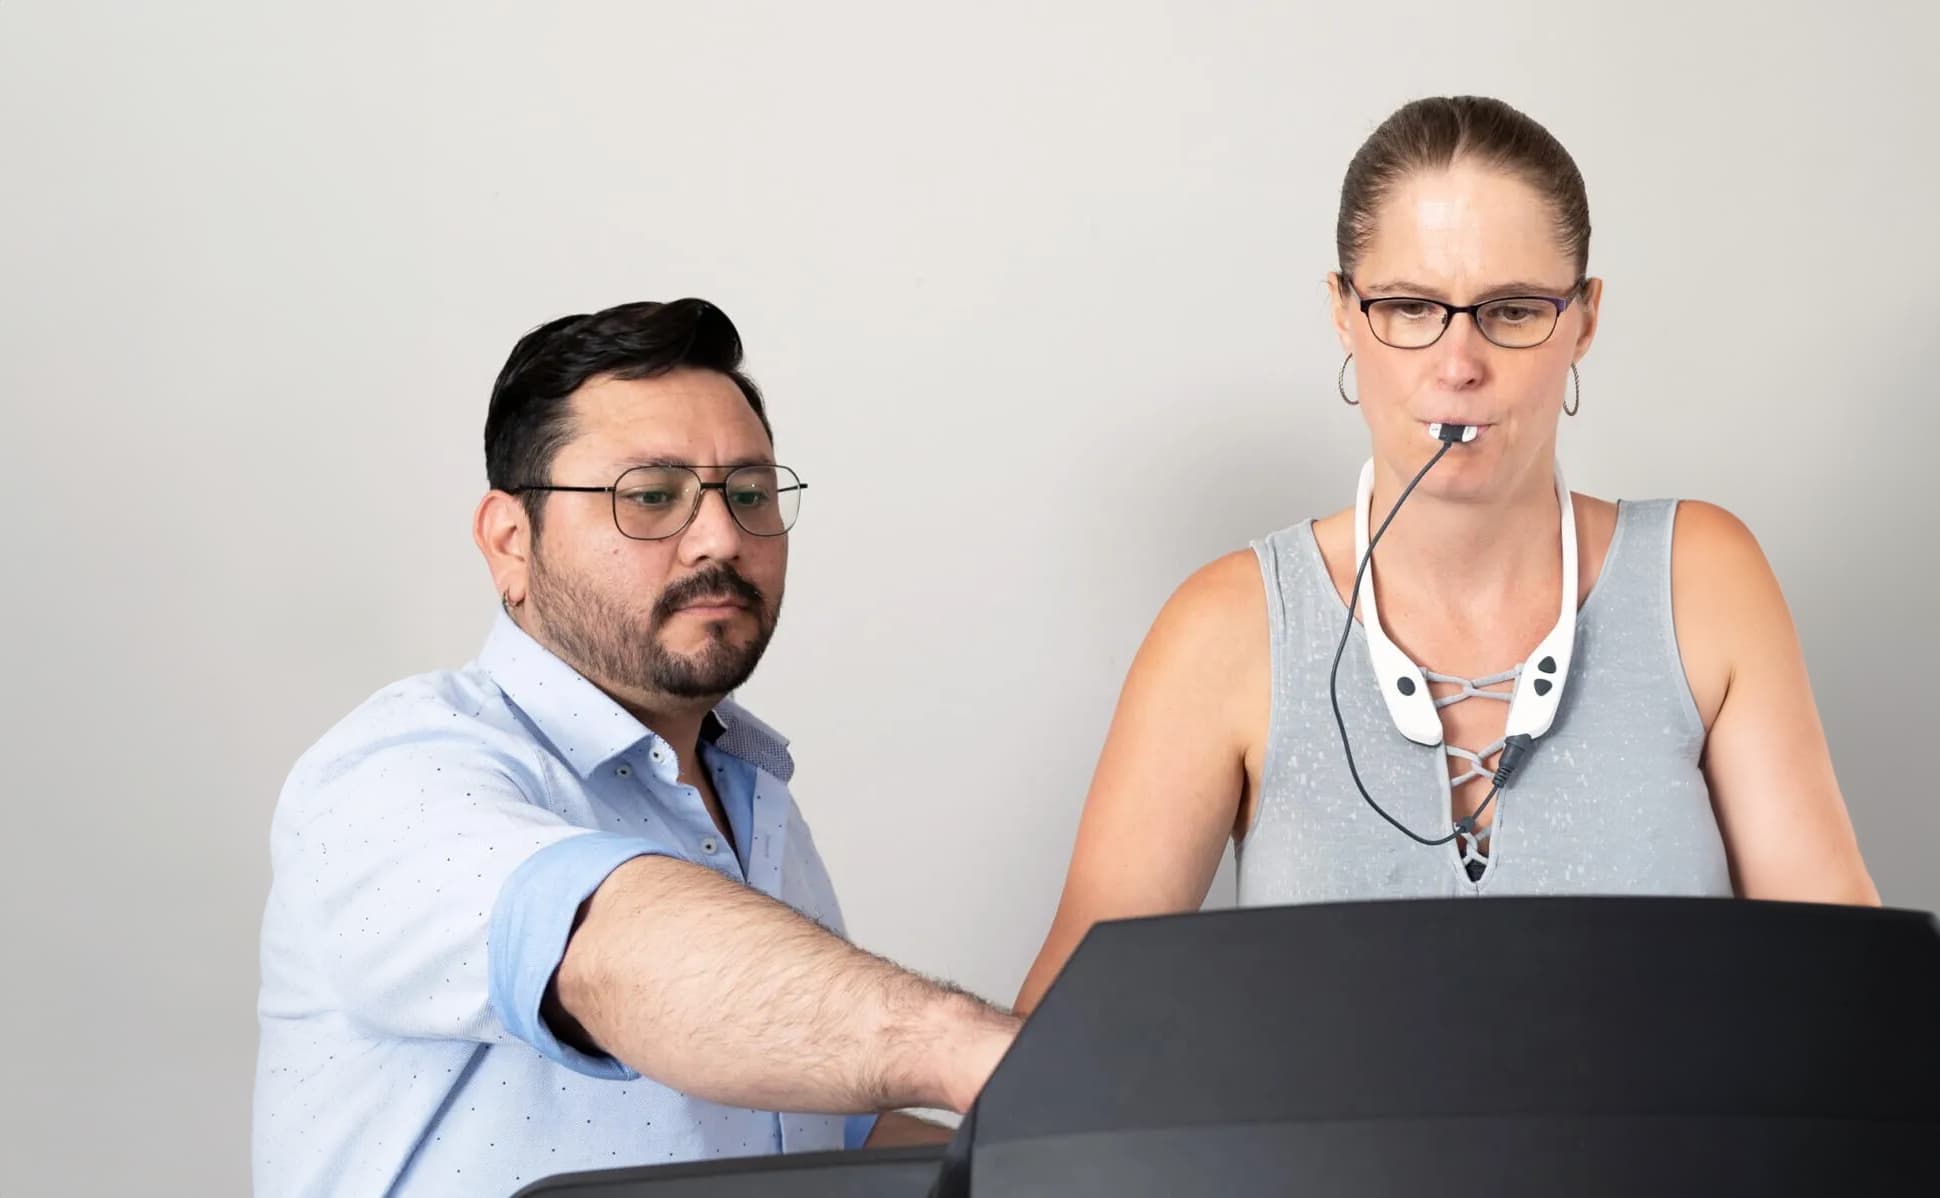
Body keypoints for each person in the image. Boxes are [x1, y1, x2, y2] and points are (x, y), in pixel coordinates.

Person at [1016, 95, 1879, 1014]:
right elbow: (1062, 1043)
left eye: (1513, 310)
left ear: (1584, 321)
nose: (1459, 362)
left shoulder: (1702, 580)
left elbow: (1852, 999)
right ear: (1343, 314)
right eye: (1409, 307)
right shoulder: (1225, 629)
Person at [254, 299, 1016, 1197]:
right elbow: (616, 953)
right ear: (510, 542)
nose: (721, 538)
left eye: (749, 494)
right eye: (651, 496)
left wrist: (1048, 1159)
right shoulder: (394, 774)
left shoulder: (752, 790)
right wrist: (987, 1054)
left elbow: (813, 1128)